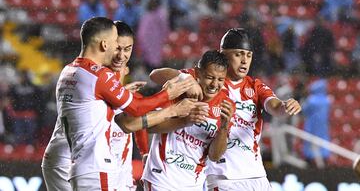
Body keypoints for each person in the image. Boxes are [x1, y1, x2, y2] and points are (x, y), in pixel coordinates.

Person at [43, 17, 196, 191]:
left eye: (127, 49)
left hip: (76, 163)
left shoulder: (70, 70)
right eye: (116, 45)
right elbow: (134, 113)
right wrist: (169, 98)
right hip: (88, 164)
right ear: (105, 44)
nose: (121, 54)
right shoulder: (100, 75)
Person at [149, 28, 302, 191]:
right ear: (223, 54)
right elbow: (156, 75)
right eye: (238, 54)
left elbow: (276, 107)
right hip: (222, 177)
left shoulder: (255, 86)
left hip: (257, 175)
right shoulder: (206, 79)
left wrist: (286, 106)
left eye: (248, 55)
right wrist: (185, 78)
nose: (244, 61)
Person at [141, 50, 235, 190]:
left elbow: (214, 156)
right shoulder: (182, 86)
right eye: (210, 77)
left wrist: (224, 127)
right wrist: (185, 120)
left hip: (193, 184)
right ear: (198, 73)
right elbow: (150, 127)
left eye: (220, 79)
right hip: (161, 179)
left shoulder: (226, 105)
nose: (214, 84)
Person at [302, 79, 330, 168]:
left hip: (312, 126)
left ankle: (313, 164)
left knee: (311, 145)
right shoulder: (327, 100)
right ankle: (322, 163)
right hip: (323, 126)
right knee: (322, 144)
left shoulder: (311, 100)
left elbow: (304, 110)